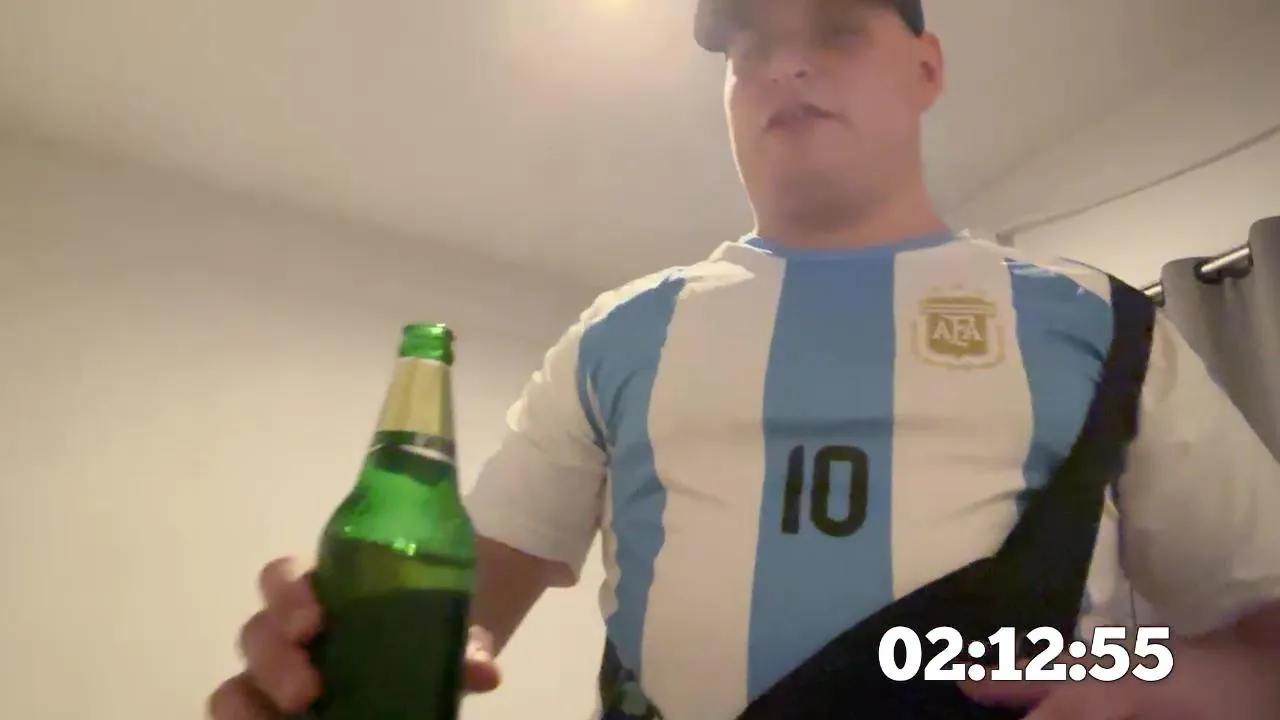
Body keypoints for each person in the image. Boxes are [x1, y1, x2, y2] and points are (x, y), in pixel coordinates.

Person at [208, 0, 1280, 718]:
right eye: (746, 48)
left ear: (927, 68)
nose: (785, 64)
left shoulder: (1101, 322)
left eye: (834, 27)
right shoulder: (619, 332)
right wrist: (329, 656)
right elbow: (453, 610)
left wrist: (1135, 670)